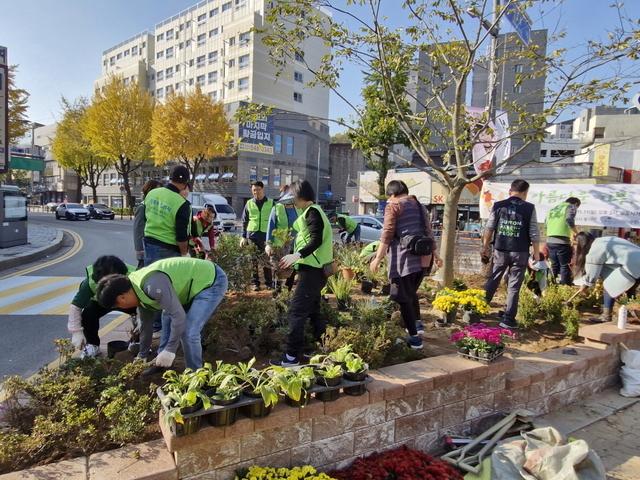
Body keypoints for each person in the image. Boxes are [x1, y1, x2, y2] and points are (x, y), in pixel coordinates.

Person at [96, 257, 228, 370]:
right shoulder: (135, 290)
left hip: (210, 281)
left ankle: (196, 376)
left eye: (117, 305)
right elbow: (146, 326)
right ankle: (161, 362)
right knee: (166, 316)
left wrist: (170, 350)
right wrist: (142, 356)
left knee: (188, 332)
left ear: (122, 298)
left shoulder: (151, 286)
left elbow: (179, 317)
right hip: (187, 287)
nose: (121, 308)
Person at [370, 180, 441, 349]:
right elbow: (429, 231)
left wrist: (378, 258)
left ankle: (415, 339)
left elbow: (386, 234)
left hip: (404, 261)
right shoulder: (418, 205)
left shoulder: (393, 206)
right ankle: (417, 324)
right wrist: (436, 255)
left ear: (392, 194)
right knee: (409, 294)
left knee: (402, 298)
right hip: (424, 258)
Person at [271, 180, 333, 366]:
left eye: (293, 197)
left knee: (296, 312)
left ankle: (291, 358)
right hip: (313, 271)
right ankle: (323, 350)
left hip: (313, 272)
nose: (292, 202)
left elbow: (316, 240)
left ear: (300, 196)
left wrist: (296, 255)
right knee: (314, 312)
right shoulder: (309, 212)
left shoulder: (313, 212)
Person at [482, 179, 541, 330]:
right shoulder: (529, 208)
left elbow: (489, 228)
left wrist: (485, 247)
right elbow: (534, 233)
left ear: (511, 190)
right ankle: (508, 319)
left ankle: (479, 309)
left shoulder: (499, 206)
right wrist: (536, 254)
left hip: (500, 250)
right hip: (520, 252)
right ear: (525, 193)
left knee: (493, 279)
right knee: (514, 286)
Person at [67, 256, 137, 358]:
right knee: (88, 313)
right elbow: (76, 307)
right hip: (101, 302)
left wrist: (142, 319)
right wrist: (76, 332)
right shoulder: (89, 284)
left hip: (127, 301)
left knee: (139, 313)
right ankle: (92, 345)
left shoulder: (134, 277)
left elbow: (145, 303)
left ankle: (137, 341)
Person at [570, 233, 640, 322]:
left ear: (581, 244)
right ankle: (631, 314)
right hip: (634, 263)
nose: (573, 247)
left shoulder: (594, 250)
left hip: (633, 266)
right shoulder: (602, 241)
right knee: (630, 288)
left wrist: (585, 285)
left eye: (575, 244)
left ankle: (606, 316)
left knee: (610, 284)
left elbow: (592, 274)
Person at [143, 165, 192, 263]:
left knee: (151, 276)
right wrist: (184, 254)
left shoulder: (152, 193)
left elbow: (146, 217)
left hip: (149, 243)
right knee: (167, 277)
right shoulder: (182, 203)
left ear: (170, 178)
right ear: (185, 183)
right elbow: (181, 234)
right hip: (168, 249)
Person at [241, 181, 274, 290]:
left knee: (266, 260)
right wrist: (243, 236)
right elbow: (244, 221)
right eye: (254, 190)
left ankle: (269, 283)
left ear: (263, 189)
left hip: (266, 236)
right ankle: (255, 284)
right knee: (252, 261)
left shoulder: (271, 202)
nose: (256, 192)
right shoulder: (249, 203)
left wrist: (274, 237)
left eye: (258, 189)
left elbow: (276, 219)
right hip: (252, 236)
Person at [265, 185, 300, 290]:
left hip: (295, 245)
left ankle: (287, 291)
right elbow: (271, 226)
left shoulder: (298, 208)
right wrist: (268, 244)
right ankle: (277, 292)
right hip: (279, 246)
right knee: (279, 270)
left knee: (292, 269)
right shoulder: (276, 208)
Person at [545, 197, 581, 285]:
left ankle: (553, 285)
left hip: (550, 241)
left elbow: (546, 223)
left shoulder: (553, 209)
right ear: (576, 204)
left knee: (554, 265)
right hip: (562, 241)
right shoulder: (571, 206)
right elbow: (569, 220)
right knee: (564, 265)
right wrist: (576, 232)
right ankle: (564, 286)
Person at [133, 179, 162, 269]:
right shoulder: (143, 206)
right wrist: (139, 249)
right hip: (146, 247)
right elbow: (138, 229)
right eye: (156, 190)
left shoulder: (158, 207)